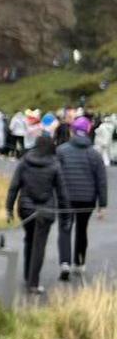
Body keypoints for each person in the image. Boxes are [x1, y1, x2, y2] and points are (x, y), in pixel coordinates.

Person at [6, 136, 69, 295]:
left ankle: (28, 276)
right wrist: (66, 215)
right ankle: (33, 283)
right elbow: (62, 193)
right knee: (39, 245)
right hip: (45, 211)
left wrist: (9, 208)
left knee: (29, 240)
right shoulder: (54, 165)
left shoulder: (25, 162)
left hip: (25, 209)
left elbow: (14, 186)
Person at [55, 117, 108, 280]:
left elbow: (55, 175)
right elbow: (101, 180)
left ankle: (65, 262)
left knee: (65, 228)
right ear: (88, 132)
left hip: (66, 197)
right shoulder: (95, 154)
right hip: (87, 199)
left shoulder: (61, 151)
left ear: (72, 131)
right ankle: (79, 263)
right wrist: (102, 205)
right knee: (82, 229)